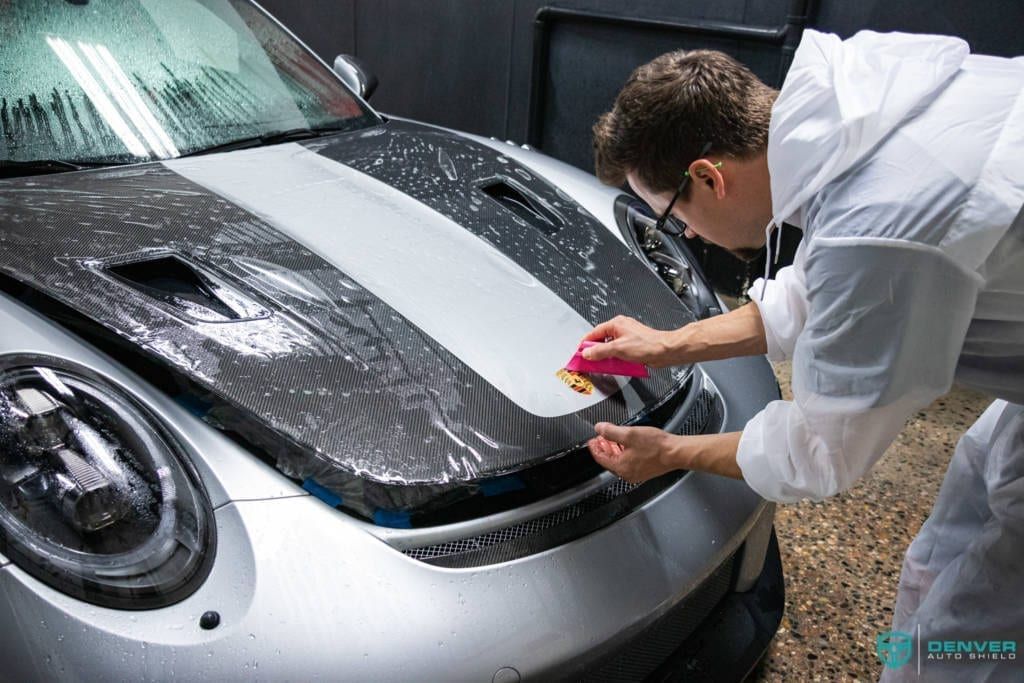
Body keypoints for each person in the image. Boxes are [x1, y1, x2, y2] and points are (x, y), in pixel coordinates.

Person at [584, 29, 1023, 681]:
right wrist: (668, 345)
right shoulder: (857, 95)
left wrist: (668, 452)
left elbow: (823, 451)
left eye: (674, 217)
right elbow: (823, 288)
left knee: (972, 627)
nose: (686, 234)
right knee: (970, 499)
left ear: (708, 177)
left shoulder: (875, 226)